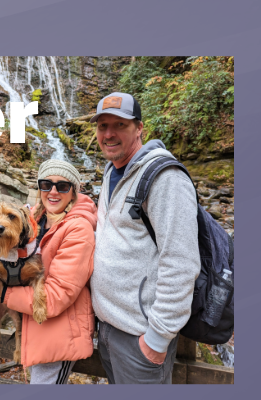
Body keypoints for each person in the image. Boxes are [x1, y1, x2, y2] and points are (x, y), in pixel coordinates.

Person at [89, 92, 200, 384]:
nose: (109, 134)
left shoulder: (165, 178)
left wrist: (157, 338)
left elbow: (181, 261)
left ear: (139, 128)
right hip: (108, 328)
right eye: (102, 126)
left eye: (120, 125)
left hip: (141, 336)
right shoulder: (110, 171)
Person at [0, 159, 97, 384]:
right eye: (46, 185)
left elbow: (56, 297)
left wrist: (2, 294)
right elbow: (2, 251)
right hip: (32, 327)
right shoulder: (33, 217)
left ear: (73, 192)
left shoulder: (79, 229)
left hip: (58, 333)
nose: (53, 191)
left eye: (62, 186)